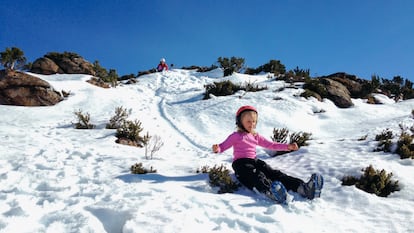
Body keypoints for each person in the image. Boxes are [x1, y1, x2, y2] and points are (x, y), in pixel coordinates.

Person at [212, 105, 323, 203]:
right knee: (257, 175)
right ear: (240, 122)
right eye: (248, 121)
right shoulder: (236, 136)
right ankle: (270, 191)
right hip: (241, 164)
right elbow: (224, 145)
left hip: (254, 161)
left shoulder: (255, 136)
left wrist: (287, 147)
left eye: (254, 121)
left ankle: (302, 188)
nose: (252, 124)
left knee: (275, 173)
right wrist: (218, 148)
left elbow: (271, 145)